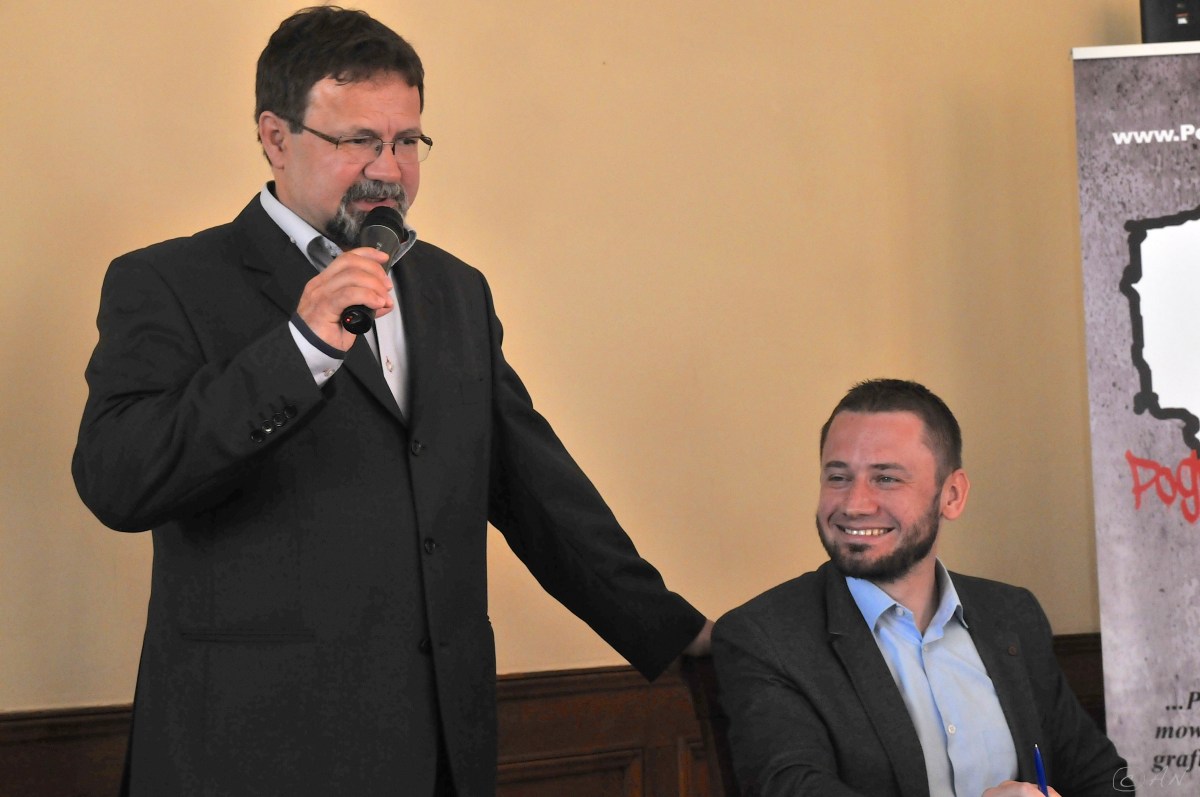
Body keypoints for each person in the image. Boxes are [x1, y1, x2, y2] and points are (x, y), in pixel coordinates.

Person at [71, 6, 711, 796]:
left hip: (439, 749)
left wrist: (680, 632)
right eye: (359, 141)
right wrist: (300, 350)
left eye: (407, 141)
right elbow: (119, 479)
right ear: (275, 137)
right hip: (251, 759)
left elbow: (536, 490)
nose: (390, 170)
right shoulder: (167, 281)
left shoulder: (455, 290)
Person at [712, 379, 1129, 797]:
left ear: (952, 495)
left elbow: (1102, 776)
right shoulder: (765, 637)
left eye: (886, 478)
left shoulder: (1013, 614)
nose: (854, 504)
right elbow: (794, 788)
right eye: (838, 477)